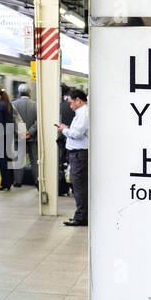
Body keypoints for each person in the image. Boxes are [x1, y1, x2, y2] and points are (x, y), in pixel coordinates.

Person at [57, 88, 88, 226]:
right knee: (78, 186)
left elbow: (76, 134)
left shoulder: (84, 114)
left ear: (78, 100)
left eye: (71, 103)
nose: (70, 106)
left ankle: (82, 217)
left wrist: (64, 130)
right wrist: (67, 129)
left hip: (80, 154)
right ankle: (81, 214)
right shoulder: (81, 113)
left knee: (79, 186)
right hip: (78, 154)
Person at [12, 85, 38, 187]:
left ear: (19, 93)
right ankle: (37, 181)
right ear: (30, 93)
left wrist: (21, 132)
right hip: (32, 137)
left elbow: (12, 121)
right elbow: (38, 121)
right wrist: (30, 132)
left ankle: (18, 182)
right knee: (34, 160)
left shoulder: (13, 105)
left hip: (19, 137)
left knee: (19, 159)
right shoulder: (35, 105)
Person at [57, 85, 75, 197]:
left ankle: (64, 187)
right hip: (74, 141)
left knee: (63, 164)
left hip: (63, 139)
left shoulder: (60, 106)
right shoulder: (76, 107)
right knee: (73, 165)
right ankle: (73, 187)